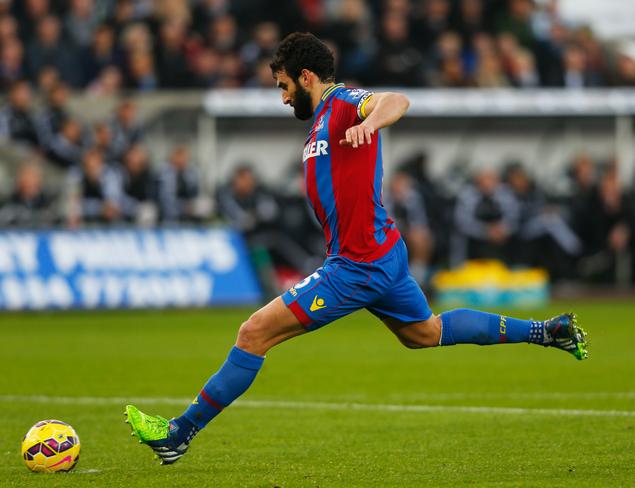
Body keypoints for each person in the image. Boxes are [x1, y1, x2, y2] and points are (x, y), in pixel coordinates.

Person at [125, 32, 588, 465]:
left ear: (307, 77)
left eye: (284, 85)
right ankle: (545, 332)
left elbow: (395, 100)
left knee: (253, 333)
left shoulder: (345, 103)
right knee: (424, 332)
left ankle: (178, 434)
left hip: (358, 266)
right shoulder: (322, 122)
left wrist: (375, 123)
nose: (283, 97)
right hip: (380, 253)